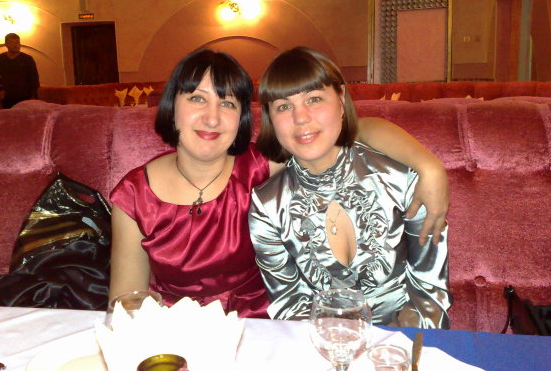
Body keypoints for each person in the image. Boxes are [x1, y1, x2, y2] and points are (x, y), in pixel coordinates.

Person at [109, 48, 450, 319]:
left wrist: (429, 166)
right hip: (179, 337)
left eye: (227, 103)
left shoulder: (260, 166)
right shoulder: (135, 195)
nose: (212, 118)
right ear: (172, 107)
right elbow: (125, 305)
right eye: (197, 98)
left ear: (242, 117)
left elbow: (343, 132)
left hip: (262, 330)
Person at [249, 46, 452, 327]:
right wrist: (333, 343)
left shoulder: (402, 179)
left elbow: (429, 291)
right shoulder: (267, 205)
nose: (301, 118)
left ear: (341, 99)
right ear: (271, 118)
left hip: (404, 341)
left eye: (314, 99)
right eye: (284, 106)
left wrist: (400, 340)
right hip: (321, 341)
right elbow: (288, 301)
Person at [0, 33, 40, 109]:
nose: (15, 45)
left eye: (17, 42)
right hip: (7, 97)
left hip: (25, 96)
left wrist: (33, 96)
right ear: (6, 44)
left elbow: (34, 78)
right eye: (12, 42)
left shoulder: (28, 59)